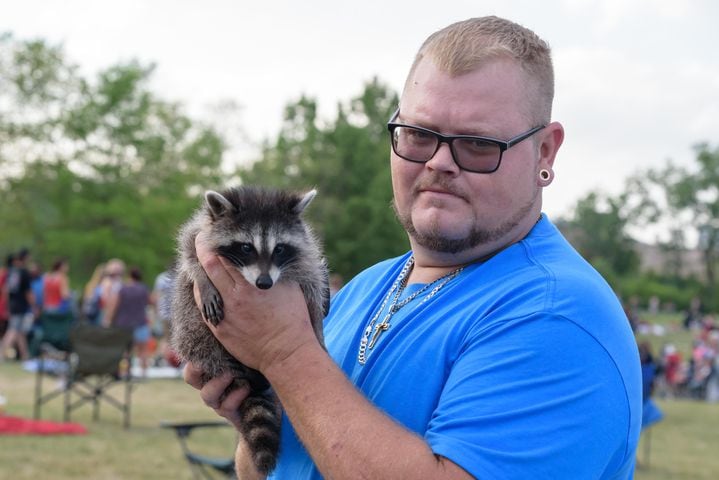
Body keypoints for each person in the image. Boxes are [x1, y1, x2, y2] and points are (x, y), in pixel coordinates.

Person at [184, 16, 642, 479]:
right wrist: (258, 414)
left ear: (544, 151)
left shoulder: (553, 315)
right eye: (420, 135)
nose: (440, 162)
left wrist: (284, 355)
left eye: (478, 143)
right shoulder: (367, 285)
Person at [104, 266, 152, 376]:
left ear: (129, 276)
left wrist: (109, 319)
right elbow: (150, 302)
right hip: (141, 322)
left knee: (125, 351)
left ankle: (126, 372)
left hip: (124, 324)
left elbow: (114, 305)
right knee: (143, 350)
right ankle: (144, 373)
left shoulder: (122, 289)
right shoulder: (144, 289)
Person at [1, 249, 36, 361]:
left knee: (20, 332)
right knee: (13, 330)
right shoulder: (24, 272)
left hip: (12, 304)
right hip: (20, 305)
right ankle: (1, 354)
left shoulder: (12, 272)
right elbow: (28, 292)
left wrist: (7, 305)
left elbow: (5, 290)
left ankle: (25, 356)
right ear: (25, 258)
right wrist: (34, 306)